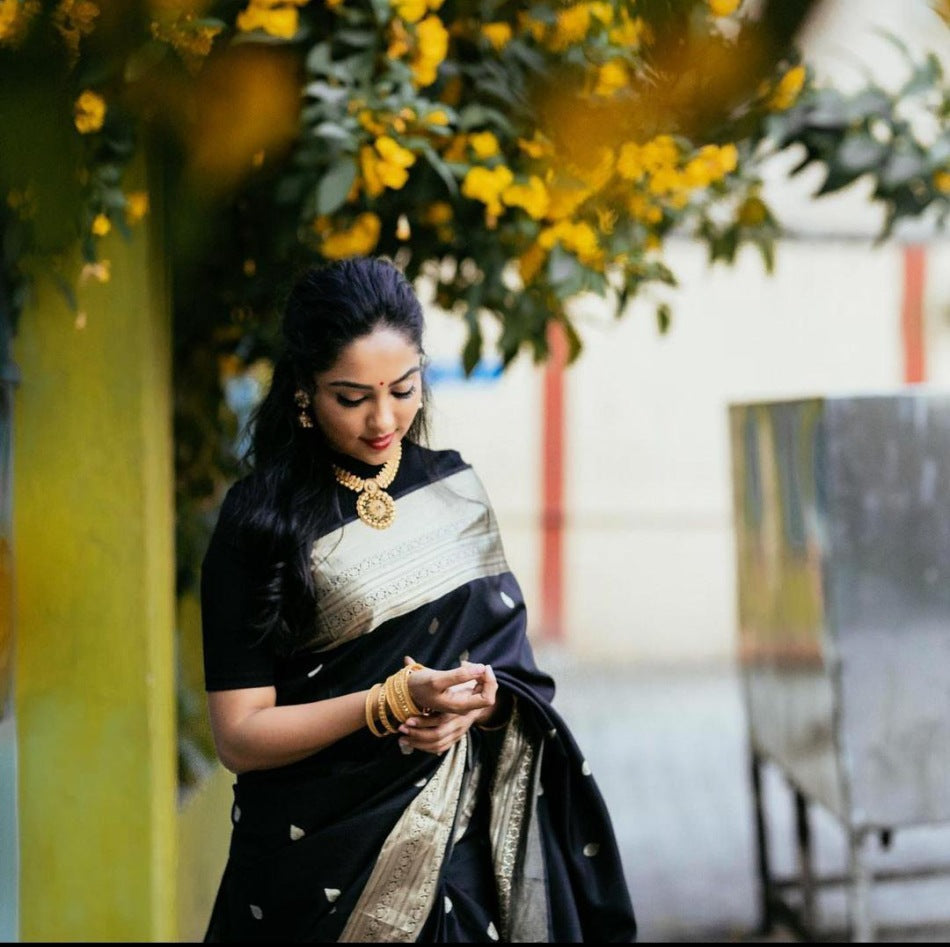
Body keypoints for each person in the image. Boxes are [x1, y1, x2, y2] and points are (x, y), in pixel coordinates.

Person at [200, 255, 637, 943]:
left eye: (403, 389)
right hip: (309, 869)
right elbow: (240, 735)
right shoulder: (259, 521)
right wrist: (389, 702)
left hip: (459, 859)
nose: (384, 419)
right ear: (304, 391)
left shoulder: (454, 490)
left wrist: (478, 706)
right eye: (352, 398)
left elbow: (515, 677)